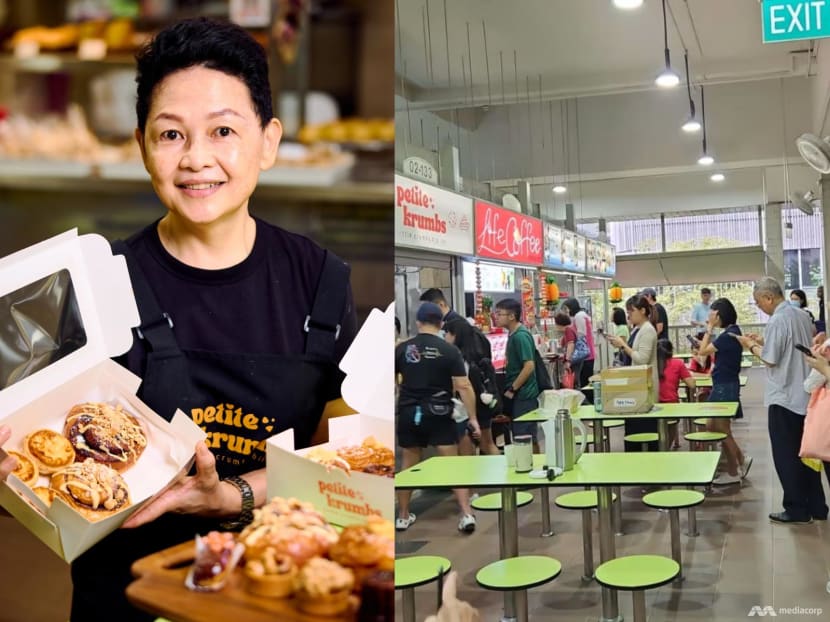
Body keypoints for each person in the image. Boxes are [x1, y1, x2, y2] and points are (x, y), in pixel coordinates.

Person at [0, 18, 363, 622]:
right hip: (123, 597)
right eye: (171, 134)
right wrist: (14, 475)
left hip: (269, 595)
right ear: (142, 144)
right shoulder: (89, 282)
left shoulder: (321, 282)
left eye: (223, 130)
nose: (197, 160)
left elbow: (349, 462)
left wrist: (233, 495)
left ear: (268, 141)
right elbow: (40, 462)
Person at [735, 277, 826, 524]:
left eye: (757, 302)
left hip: (784, 396)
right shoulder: (801, 315)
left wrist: (750, 345)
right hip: (805, 394)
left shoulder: (777, 319)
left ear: (768, 297)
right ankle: (818, 506)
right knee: (809, 454)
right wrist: (763, 341)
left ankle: (796, 508)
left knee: (786, 456)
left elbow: (771, 359)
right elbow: (792, 345)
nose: (758, 307)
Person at [395, 303, 480, 534]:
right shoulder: (449, 350)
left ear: (418, 323)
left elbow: (393, 382)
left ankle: (402, 516)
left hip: (409, 413)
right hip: (440, 412)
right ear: (441, 324)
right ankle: (466, 513)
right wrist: (472, 418)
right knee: (452, 466)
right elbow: (463, 385)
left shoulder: (403, 349)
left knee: (408, 465)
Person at [695, 298, 752, 484]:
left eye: (712, 313)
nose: (710, 316)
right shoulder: (732, 333)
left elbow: (703, 351)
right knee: (714, 426)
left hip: (724, 385)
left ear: (718, 314)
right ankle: (740, 461)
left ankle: (734, 471)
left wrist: (709, 328)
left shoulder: (728, 335)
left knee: (721, 428)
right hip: (724, 383)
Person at [606, 295, 659, 451]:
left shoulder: (648, 330)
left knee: (645, 432)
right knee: (632, 432)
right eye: (628, 311)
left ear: (643, 311)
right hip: (636, 386)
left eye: (632, 311)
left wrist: (623, 345)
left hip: (644, 387)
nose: (629, 314)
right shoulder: (637, 329)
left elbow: (642, 359)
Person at [444, 318, 501, 456]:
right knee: (487, 443)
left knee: (473, 444)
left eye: (446, 333)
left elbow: (459, 385)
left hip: (469, 408)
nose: (445, 337)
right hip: (484, 404)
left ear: (455, 335)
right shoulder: (477, 352)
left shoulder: (459, 359)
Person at [494, 298, 540, 444]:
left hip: (525, 395)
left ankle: (532, 464)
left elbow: (529, 366)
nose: (496, 317)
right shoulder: (513, 334)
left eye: (499, 313)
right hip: (520, 395)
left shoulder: (520, 336)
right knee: (523, 436)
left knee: (525, 436)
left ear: (512, 316)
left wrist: (513, 388)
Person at [656, 339, 695, 449]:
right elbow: (692, 385)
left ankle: (658, 451)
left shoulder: (651, 364)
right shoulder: (678, 363)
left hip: (654, 405)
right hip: (671, 405)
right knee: (670, 429)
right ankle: (666, 450)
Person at [561, 297, 597, 390]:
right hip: (588, 353)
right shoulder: (582, 315)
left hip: (585, 354)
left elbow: (581, 335)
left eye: (567, 308)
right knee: (586, 380)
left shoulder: (579, 316)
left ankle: (588, 402)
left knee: (585, 382)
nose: (566, 311)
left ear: (571, 307)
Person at [553, 312, 580, 386]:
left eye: (556, 324)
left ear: (560, 323)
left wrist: (567, 360)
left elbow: (571, 345)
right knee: (574, 381)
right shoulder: (571, 328)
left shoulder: (568, 330)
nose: (556, 326)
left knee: (572, 381)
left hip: (573, 360)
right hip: (576, 359)